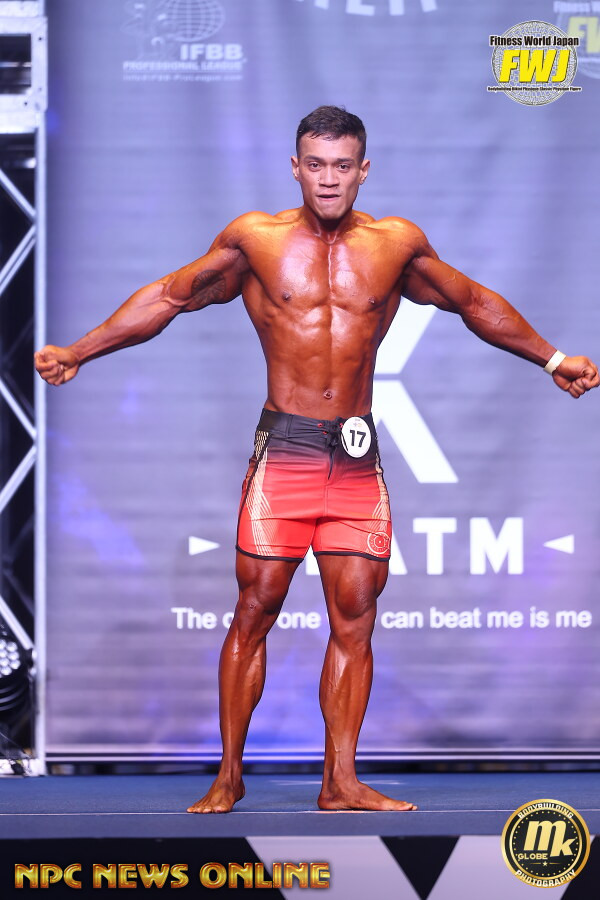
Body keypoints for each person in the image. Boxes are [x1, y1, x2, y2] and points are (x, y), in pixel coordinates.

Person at [35, 106, 598, 814]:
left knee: (355, 615)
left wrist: (552, 357)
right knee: (255, 608)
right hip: (287, 450)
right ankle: (229, 774)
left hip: (355, 455)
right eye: (316, 165)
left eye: (342, 166)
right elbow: (170, 296)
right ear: (296, 168)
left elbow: (473, 301)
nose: (328, 179)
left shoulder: (395, 246)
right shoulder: (257, 241)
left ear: (363, 171)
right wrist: (79, 351)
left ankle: (341, 781)